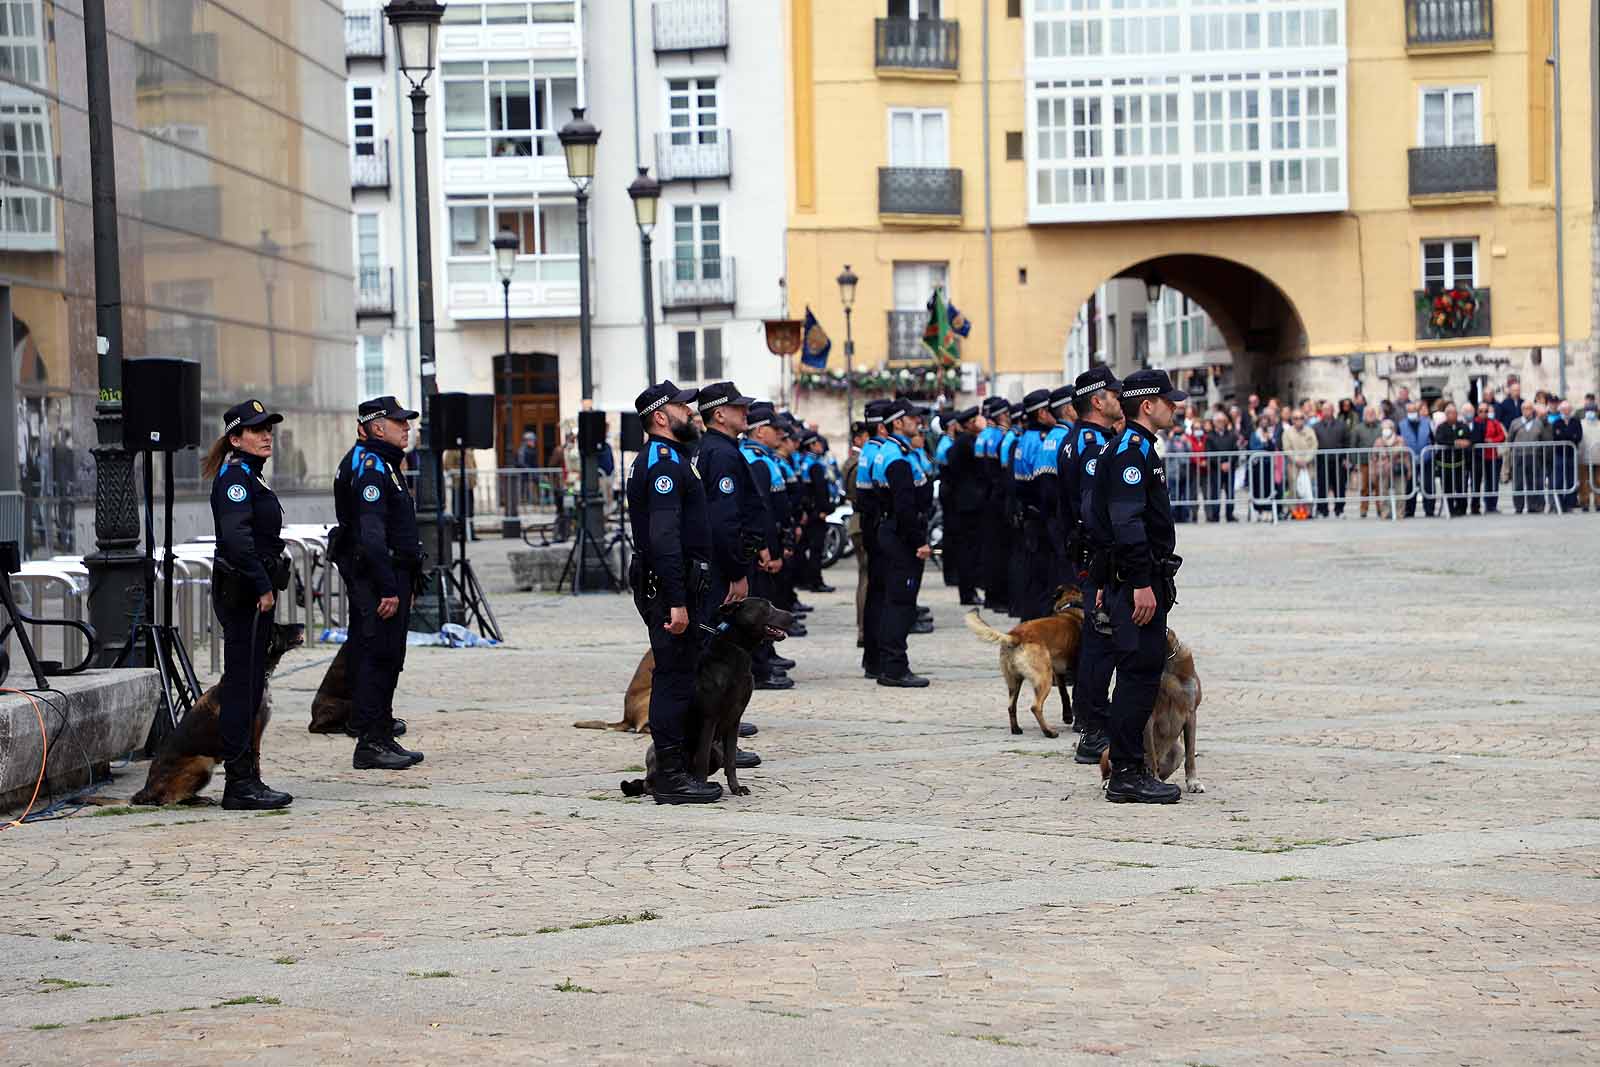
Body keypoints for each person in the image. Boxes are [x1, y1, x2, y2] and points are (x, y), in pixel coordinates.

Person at [1087, 369, 1186, 804]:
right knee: (1138, 674)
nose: (1174, 407)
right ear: (1147, 405)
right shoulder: (1131, 452)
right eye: (1169, 400)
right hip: (1137, 583)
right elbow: (1125, 521)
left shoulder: (1133, 448)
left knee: (1139, 672)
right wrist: (1140, 583)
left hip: (1132, 578)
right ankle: (1127, 772)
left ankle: (1130, 767)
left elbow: (1095, 515)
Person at [625, 381, 722, 805]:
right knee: (673, 679)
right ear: (662, 416)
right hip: (670, 586)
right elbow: (664, 538)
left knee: (680, 675)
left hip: (678, 582)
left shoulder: (673, 458)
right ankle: (670, 775)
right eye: (684, 406)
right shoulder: (663, 463)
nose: (692, 412)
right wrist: (677, 600)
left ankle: (680, 764)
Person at [204, 400, 293, 810]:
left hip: (251, 592)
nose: (266, 435)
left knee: (252, 685)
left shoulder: (250, 476)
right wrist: (262, 586)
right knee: (242, 688)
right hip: (244, 595)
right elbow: (238, 541)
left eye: (268, 429)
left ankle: (248, 777)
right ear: (236, 439)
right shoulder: (236, 478)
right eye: (257, 430)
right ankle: (239, 784)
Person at [330, 396, 426, 772]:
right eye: (399, 422)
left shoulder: (382, 463)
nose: (407, 428)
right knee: (377, 657)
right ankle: (370, 741)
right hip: (376, 576)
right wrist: (388, 586)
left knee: (388, 656)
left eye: (407, 422)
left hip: (389, 573)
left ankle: (381, 732)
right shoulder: (371, 466)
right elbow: (371, 534)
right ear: (375, 427)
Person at [1062, 366, 1122, 762]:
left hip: (1085, 552)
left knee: (1098, 640)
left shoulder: (1079, 438)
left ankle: (1092, 722)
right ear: (1097, 401)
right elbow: (1090, 506)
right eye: (1115, 394)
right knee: (1100, 641)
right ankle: (1093, 729)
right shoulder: (1090, 441)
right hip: (1093, 554)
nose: (1121, 399)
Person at [871, 398, 933, 687]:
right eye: (912, 418)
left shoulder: (891, 451)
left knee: (893, 601)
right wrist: (919, 541)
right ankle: (895, 667)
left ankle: (889, 663)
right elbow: (905, 506)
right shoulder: (897, 457)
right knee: (901, 603)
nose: (917, 422)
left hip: (891, 531)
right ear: (898, 422)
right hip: (901, 536)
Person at [740, 403, 797, 690]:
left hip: (769, 541)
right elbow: (761, 511)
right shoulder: (756, 461)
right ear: (761, 432)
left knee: (767, 604)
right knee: (760, 610)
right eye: (775, 429)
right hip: (761, 548)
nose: (781, 434)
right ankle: (759, 668)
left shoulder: (764, 457)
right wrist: (768, 550)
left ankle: (766, 657)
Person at [941, 407, 985, 606]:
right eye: (976, 420)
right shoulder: (967, 443)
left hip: (964, 502)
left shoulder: (961, 442)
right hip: (969, 503)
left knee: (968, 549)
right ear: (969, 423)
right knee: (969, 550)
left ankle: (968, 590)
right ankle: (968, 592)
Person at [975, 397, 1012, 614]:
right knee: (999, 551)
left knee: (989, 548)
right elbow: (998, 472)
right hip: (997, 498)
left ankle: (991, 595)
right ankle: (998, 597)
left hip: (984, 496)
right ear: (1000, 415)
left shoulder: (983, 436)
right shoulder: (999, 436)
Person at [841, 418, 872, 644]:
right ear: (859, 439)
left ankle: (864, 627)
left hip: (857, 521)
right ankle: (864, 628)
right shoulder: (859, 462)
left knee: (865, 576)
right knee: (867, 577)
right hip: (863, 521)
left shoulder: (852, 460)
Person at [1508, 400, 1549, 513]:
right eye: (1525, 408)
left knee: (1534, 481)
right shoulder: (1515, 423)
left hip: (1534, 456)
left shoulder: (1538, 423)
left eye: (1529, 408)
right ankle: (1518, 506)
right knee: (1518, 482)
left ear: (1533, 410)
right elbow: (1510, 439)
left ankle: (1534, 506)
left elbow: (1543, 438)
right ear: (1521, 410)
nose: (1527, 411)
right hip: (1519, 456)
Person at [1433, 403, 1471, 517]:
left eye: (1454, 413)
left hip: (1460, 463)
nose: (1451, 415)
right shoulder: (1441, 427)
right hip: (1445, 464)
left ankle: (1461, 509)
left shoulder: (1462, 426)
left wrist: (1465, 442)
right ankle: (1449, 509)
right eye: (1449, 413)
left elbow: (1467, 437)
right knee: (1448, 487)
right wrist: (1454, 443)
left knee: (1461, 487)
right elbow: (1440, 439)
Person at [1312, 401, 1349, 516]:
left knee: (1339, 485)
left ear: (1333, 411)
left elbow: (1347, 442)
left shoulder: (1342, 425)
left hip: (1338, 460)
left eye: (1328, 409)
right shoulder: (1316, 426)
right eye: (1324, 410)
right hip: (1322, 460)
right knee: (1322, 485)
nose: (1326, 412)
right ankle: (1323, 509)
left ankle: (1339, 509)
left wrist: (1346, 458)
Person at [1281, 411, 1319, 519]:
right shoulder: (1287, 432)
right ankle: (1293, 511)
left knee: (1309, 487)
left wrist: (1306, 460)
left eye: (1301, 418)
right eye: (1296, 418)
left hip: (1308, 465)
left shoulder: (1310, 431)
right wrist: (1297, 460)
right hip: (1293, 465)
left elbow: (1314, 446)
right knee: (1293, 488)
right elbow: (1286, 448)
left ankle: (1308, 511)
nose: (1298, 420)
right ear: (1292, 420)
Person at [1399, 402, 1433, 517]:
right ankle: (1409, 510)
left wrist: (1430, 453)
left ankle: (1429, 509)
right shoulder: (1401, 425)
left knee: (1428, 484)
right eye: (1409, 411)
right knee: (1410, 485)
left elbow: (1433, 440)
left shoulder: (1427, 422)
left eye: (1414, 411)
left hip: (1426, 458)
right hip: (1409, 459)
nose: (1412, 413)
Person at [1349, 405, 1381, 518]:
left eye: (1372, 412)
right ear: (1364, 415)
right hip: (1364, 462)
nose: (1370, 414)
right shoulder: (1358, 428)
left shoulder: (1380, 426)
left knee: (1379, 486)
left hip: (1378, 462)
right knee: (1364, 487)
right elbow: (1353, 445)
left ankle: (1380, 508)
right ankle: (1363, 509)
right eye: (1368, 413)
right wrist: (1354, 462)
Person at [1551, 400, 1583, 512]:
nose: (1566, 411)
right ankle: (1559, 504)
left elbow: (1578, 436)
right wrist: (1570, 435)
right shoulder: (1557, 422)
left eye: (1568, 409)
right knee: (1559, 480)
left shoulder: (1575, 422)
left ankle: (1570, 504)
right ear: (1560, 410)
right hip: (1560, 454)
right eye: (1564, 409)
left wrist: (1565, 435)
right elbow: (1556, 436)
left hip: (1571, 454)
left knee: (1571, 480)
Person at [1476, 402, 1506, 514]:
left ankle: (1492, 505)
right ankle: (1477, 505)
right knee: (1479, 482)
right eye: (1481, 411)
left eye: (1486, 411)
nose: (1483, 413)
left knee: (1493, 481)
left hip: (1492, 456)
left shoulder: (1494, 423)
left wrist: (1492, 441)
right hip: (1478, 457)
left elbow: (1502, 436)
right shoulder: (1475, 423)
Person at [1579, 405, 1600, 511]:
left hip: (1598, 457)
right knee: (1584, 481)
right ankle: (1584, 502)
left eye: (1593, 411)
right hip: (1584, 457)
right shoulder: (1581, 424)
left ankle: (1598, 502)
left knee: (1598, 481)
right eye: (1588, 411)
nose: (1590, 413)